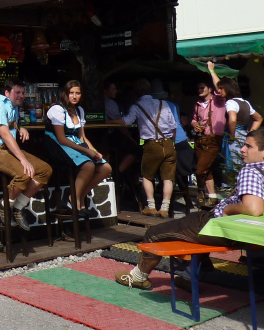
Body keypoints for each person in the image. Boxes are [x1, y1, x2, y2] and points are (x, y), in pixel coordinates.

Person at [116, 128, 264, 290]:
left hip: (221, 227)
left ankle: (138, 277)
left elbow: (253, 208)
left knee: (154, 233)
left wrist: (228, 209)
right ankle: (191, 275)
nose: (242, 149)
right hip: (247, 232)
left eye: (249, 146)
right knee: (190, 226)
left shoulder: (251, 170)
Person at [0, 78, 52, 230]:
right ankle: (5, 205)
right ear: (6, 93)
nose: (21, 96)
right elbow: (4, 134)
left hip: (6, 150)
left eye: (23, 93)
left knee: (45, 170)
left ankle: (18, 206)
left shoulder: (13, 107)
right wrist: (23, 160)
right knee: (23, 173)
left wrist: (21, 128)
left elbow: (11, 127)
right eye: (17, 92)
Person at [44, 80, 112, 216]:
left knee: (106, 168)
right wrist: (86, 151)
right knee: (88, 166)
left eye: (78, 93)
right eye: (71, 93)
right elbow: (61, 139)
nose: (74, 96)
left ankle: (78, 196)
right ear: (65, 94)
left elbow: (82, 137)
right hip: (57, 145)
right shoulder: (57, 109)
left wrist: (94, 151)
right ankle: (72, 199)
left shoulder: (79, 111)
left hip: (75, 144)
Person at [122, 78, 177, 218]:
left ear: (136, 92)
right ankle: (165, 208)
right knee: (167, 178)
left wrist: (111, 120)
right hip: (168, 143)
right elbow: (173, 126)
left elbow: (126, 121)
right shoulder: (163, 103)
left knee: (147, 176)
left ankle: (151, 207)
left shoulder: (136, 106)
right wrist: (172, 142)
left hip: (151, 144)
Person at [209, 62, 262, 180]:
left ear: (228, 89)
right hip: (244, 133)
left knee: (233, 163)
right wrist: (250, 133)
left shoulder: (231, 102)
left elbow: (232, 120)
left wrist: (232, 135)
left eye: (222, 89)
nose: (219, 91)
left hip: (236, 134)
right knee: (241, 161)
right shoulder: (245, 102)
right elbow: (259, 118)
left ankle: (231, 187)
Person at [191, 75, 227, 208]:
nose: (200, 90)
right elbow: (194, 118)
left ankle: (200, 191)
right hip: (200, 139)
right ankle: (212, 197)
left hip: (213, 139)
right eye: (198, 88)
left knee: (200, 170)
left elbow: (220, 87)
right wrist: (195, 124)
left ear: (210, 89)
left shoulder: (219, 100)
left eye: (202, 88)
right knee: (207, 169)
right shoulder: (198, 104)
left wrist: (211, 70)